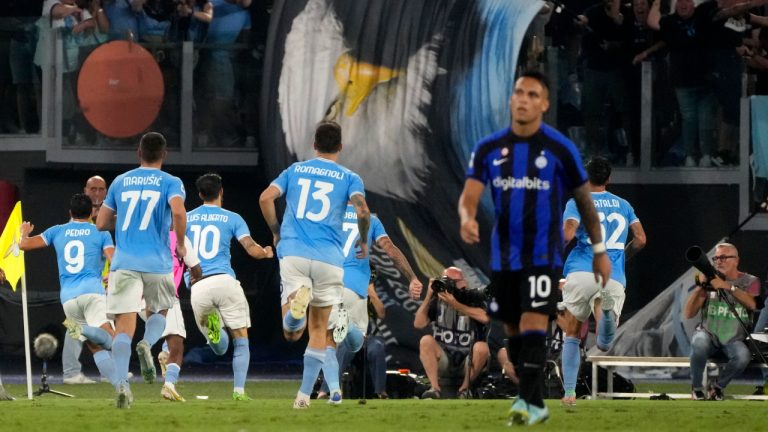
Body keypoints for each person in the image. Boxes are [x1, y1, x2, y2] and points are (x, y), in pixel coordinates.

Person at [458, 70, 611, 425]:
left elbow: (585, 202)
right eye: (519, 92)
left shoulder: (561, 148)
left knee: (532, 322)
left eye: (532, 94)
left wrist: (600, 249)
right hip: (503, 256)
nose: (523, 99)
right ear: (512, 99)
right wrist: (467, 217)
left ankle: (527, 403)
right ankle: (534, 399)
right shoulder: (488, 148)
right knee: (511, 328)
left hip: (542, 254)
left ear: (543, 103)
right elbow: (470, 194)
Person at [259, 121, 371, 408]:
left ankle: (297, 311)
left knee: (291, 332)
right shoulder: (349, 177)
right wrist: (363, 239)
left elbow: (265, 198)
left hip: (294, 253)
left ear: (314, 145)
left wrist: (275, 230)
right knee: (319, 330)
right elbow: (362, 209)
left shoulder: (295, 170)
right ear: (340, 147)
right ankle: (303, 396)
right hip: (329, 259)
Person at [96, 131, 187, 408]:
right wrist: (180, 244)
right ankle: (148, 343)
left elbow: (101, 223)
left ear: (138, 153)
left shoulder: (120, 181)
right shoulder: (171, 181)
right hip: (157, 262)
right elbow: (179, 212)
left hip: (124, 263)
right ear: (164, 154)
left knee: (123, 327)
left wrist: (125, 223)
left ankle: (123, 385)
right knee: (160, 310)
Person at [558, 156, 647, 406]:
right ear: (609, 179)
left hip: (581, 271)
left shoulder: (577, 201)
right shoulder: (624, 205)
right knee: (604, 344)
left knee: (572, 334)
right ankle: (605, 317)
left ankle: (569, 393)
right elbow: (641, 239)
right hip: (612, 274)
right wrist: (621, 258)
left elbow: (568, 233)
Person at [316, 210, 423, 399]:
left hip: (328, 283)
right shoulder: (370, 219)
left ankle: (326, 390)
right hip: (353, 286)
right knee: (352, 341)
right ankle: (328, 388)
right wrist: (412, 277)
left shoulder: (328, 215)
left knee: (332, 341)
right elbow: (390, 249)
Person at [18, 193, 119, 391]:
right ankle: (84, 333)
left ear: (70, 212)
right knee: (114, 341)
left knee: (94, 346)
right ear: (91, 213)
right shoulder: (101, 232)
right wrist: (113, 276)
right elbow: (114, 261)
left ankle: (118, 383)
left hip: (68, 299)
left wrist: (24, 232)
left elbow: (24, 245)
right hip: (92, 293)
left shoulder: (57, 231)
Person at [187, 173, 273, 401]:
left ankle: (215, 329)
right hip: (225, 281)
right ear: (221, 192)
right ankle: (239, 391)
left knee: (218, 348)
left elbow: (175, 249)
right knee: (241, 339)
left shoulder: (185, 219)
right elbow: (250, 247)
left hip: (199, 286)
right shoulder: (232, 218)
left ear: (199, 194)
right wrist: (265, 252)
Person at [684, 243, 759, 400]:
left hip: (734, 338)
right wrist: (700, 287)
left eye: (724, 257)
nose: (719, 261)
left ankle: (717, 387)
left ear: (736, 260)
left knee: (743, 356)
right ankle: (697, 388)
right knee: (699, 343)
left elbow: (752, 304)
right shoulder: (709, 281)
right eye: (716, 258)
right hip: (708, 333)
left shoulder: (751, 281)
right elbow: (689, 313)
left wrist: (727, 286)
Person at [142, 229, 201, 402]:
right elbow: (196, 269)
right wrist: (194, 278)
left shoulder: (144, 236)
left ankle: (154, 347)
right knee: (177, 345)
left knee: (162, 332)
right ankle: (169, 385)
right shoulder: (179, 238)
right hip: (165, 297)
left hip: (140, 299)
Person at [414, 267, 490, 399]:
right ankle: (434, 389)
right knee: (426, 340)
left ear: (463, 282)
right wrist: (428, 296)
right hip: (444, 359)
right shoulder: (438, 300)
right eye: (447, 281)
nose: (451, 284)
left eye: (455, 281)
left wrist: (455, 304)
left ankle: (465, 389)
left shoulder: (472, 297)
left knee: (482, 348)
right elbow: (419, 323)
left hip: (468, 359)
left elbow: (485, 318)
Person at [63, 175, 110, 385]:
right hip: (85, 281)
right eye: (93, 189)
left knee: (95, 326)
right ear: (85, 190)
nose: (97, 193)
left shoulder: (112, 213)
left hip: (106, 278)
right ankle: (71, 372)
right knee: (80, 327)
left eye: (101, 189)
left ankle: (108, 369)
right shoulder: (81, 216)